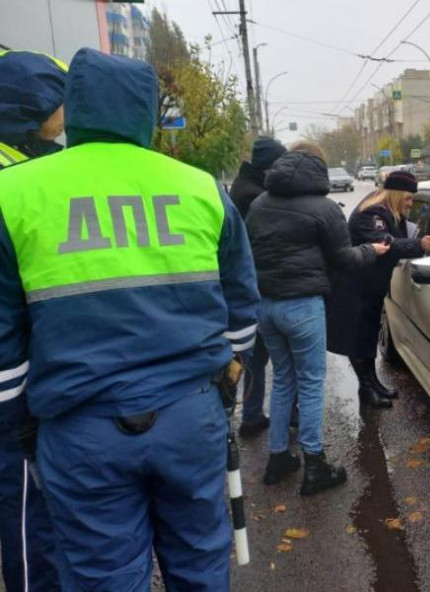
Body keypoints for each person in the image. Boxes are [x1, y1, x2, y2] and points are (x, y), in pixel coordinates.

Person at [0, 48, 259, 591]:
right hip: (191, 417)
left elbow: (5, 343)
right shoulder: (201, 188)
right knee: (199, 565)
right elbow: (241, 306)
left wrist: (22, 428)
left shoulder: (15, 192)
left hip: (80, 430)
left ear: (77, 106)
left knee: (103, 577)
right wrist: (228, 377)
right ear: (146, 112)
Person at [245, 144, 389, 491]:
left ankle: (278, 457)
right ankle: (314, 465)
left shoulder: (259, 204)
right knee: (310, 383)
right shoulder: (324, 209)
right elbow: (345, 260)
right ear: (318, 170)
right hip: (302, 307)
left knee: (282, 379)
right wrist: (373, 250)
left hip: (265, 306)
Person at [0, 48, 66, 592]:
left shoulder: (29, 158)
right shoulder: (15, 176)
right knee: (25, 509)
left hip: (27, 368)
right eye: (58, 99)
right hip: (13, 379)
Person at [327, 171, 430, 408]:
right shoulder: (373, 213)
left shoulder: (388, 209)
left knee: (367, 338)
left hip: (370, 286)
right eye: (407, 199)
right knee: (358, 340)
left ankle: (372, 383)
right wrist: (419, 245)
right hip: (355, 287)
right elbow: (385, 243)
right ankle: (366, 389)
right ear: (396, 193)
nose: (410, 204)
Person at [229, 136, 288, 438]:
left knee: (256, 357)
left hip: (251, 285)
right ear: (269, 168)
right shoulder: (253, 196)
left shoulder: (244, 186)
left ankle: (252, 416)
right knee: (261, 357)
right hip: (257, 287)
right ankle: (253, 418)